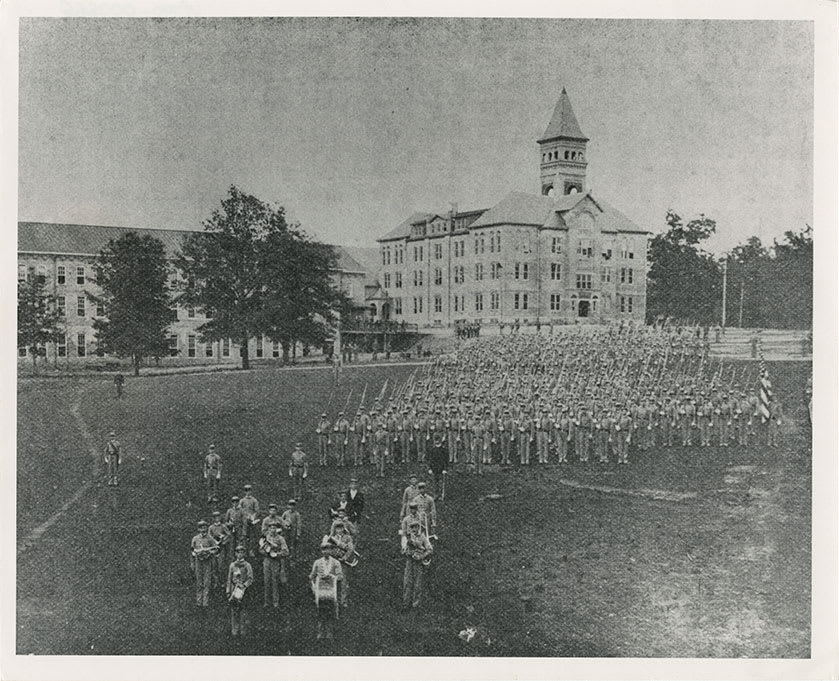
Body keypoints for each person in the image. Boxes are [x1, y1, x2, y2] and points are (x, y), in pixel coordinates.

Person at [309, 537, 344, 640]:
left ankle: (329, 632)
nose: (326, 551)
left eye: (328, 549)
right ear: (321, 551)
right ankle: (320, 632)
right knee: (320, 612)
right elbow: (312, 575)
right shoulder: (317, 563)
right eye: (324, 549)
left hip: (331, 592)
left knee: (330, 612)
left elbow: (340, 576)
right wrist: (313, 585)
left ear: (331, 550)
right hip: (320, 592)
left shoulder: (336, 563)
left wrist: (333, 577)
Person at [402, 519, 433, 610]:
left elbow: (430, 549)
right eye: (412, 527)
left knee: (417, 584)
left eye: (415, 527)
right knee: (407, 583)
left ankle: (416, 605)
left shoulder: (422, 537)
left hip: (418, 562)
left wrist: (422, 556)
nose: (413, 529)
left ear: (418, 527)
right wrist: (406, 551)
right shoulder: (407, 537)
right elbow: (403, 550)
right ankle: (406, 604)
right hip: (409, 561)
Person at [226, 544, 254, 637]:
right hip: (234, 589)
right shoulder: (232, 565)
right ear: (235, 554)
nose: (240, 555)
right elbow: (229, 578)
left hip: (243, 590)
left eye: (242, 553)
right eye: (238, 553)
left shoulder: (247, 565)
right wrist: (228, 590)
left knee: (243, 610)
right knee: (234, 610)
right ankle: (234, 630)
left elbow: (250, 578)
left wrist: (244, 585)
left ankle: (243, 630)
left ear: (245, 554)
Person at [190, 520, 219, 607]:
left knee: (207, 582)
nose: (203, 529)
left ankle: (205, 602)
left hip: (207, 561)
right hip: (198, 561)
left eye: (205, 527)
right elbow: (192, 551)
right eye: (201, 528)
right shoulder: (195, 539)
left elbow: (216, 549)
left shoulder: (210, 538)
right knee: (199, 581)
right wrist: (192, 563)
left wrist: (210, 552)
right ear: (199, 529)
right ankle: (198, 602)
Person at [259, 523, 289, 609]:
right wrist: (265, 552)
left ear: (277, 529)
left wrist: (276, 554)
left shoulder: (280, 539)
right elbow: (260, 549)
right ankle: (266, 602)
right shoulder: (266, 538)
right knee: (266, 581)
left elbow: (286, 551)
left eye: (274, 528)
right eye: (270, 528)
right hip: (266, 561)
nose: (272, 530)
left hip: (275, 561)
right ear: (268, 529)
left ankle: (276, 603)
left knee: (275, 581)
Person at [327, 520, 355, 608]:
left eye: (340, 528)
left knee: (343, 582)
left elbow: (350, 549)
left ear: (343, 529)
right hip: (333, 561)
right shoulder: (331, 537)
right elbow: (327, 548)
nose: (339, 530)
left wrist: (344, 558)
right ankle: (332, 599)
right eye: (337, 528)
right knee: (331, 579)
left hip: (342, 562)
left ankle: (343, 601)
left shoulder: (347, 537)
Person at [208, 510, 233, 586]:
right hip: (213, 548)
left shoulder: (223, 526)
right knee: (213, 565)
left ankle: (223, 581)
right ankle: (216, 581)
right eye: (215, 517)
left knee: (221, 565)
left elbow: (229, 535)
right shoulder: (211, 527)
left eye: (218, 517)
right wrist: (214, 542)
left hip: (221, 548)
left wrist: (223, 539)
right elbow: (209, 537)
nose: (217, 519)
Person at [239, 484, 260, 556]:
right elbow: (240, 510)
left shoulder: (254, 500)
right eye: (246, 491)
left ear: (251, 491)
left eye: (249, 491)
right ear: (244, 492)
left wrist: (252, 517)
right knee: (244, 536)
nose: (248, 492)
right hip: (244, 521)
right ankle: (244, 550)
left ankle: (251, 550)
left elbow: (257, 510)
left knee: (252, 536)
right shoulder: (242, 500)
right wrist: (245, 517)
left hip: (252, 520)